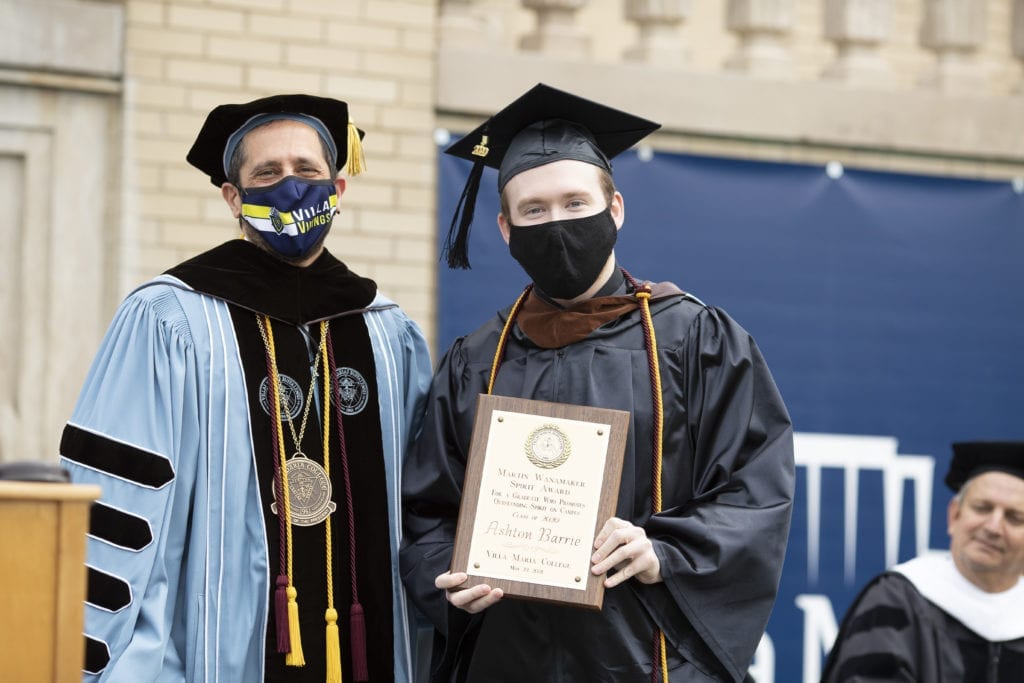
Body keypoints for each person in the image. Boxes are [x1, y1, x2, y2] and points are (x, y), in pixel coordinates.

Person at [399, 83, 795, 682]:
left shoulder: (692, 339)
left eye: (575, 203)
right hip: (510, 660)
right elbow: (428, 509)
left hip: (646, 659)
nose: (556, 223)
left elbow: (754, 487)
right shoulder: (477, 359)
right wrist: (445, 578)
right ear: (505, 228)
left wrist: (665, 553)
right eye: (534, 210)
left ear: (615, 210)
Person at [59, 94, 432, 682]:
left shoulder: (386, 331)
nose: (291, 187)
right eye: (267, 173)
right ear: (234, 197)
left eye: (307, 171)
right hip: (211, 655)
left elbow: (424, 501)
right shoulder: (168, 320)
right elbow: (114, 498)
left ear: (338, 187)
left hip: (372, 651)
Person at [822, 441, 1024, 682]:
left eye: (1015, 518)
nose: (993, 527)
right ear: (954, 515)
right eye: (982, 508)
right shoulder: (898, 600)